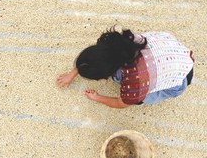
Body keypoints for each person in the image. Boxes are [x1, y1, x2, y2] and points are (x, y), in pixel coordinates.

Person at [56, 27, 194, 109]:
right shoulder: (118, 42)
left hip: (180, 80)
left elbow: (121, 103)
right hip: (174, 50)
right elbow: (94, 56)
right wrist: (73, 73)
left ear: (103, 78)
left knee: (139, 98)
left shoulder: (135, 81)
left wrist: (96, 97)